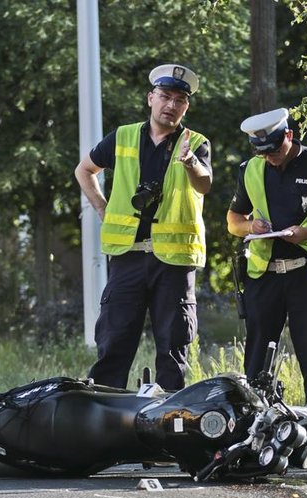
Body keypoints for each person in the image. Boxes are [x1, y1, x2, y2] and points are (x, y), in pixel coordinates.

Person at [74, 63, 212, 390]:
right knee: (114, 339)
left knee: (173, 346)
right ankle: (103, 412)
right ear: (151, 98)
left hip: (174, 262)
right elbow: (84, 170)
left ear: (186, 106)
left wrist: (190, 161)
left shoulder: (196, 142)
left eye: (179, 100)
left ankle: (171, 420)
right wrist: (102, 208)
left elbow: (205, 184)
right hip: (128, 256)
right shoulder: (122, 137)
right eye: (165, 96)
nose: (171, 105)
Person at [226, 107, 307, 401]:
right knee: (257, 358)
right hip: (263, 275)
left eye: (274, 149)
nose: (269, 156)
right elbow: (233, 220)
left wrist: (306, 233)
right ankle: (258, 417)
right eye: (262, 152)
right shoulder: (250, 169)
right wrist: (251, 225)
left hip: (305, 272)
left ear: (289, 135)